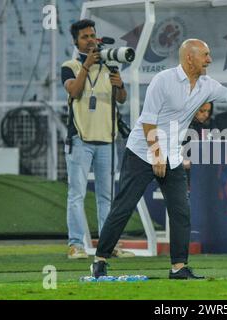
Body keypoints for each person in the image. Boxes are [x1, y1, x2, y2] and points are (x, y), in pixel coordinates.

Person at [91, 39, 227, 279]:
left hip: (172, 156)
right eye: (205, 54)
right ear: (189, 57)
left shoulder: (207, 85)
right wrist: (157, 155)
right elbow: (148, 120)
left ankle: (178, 268)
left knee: (181, 212)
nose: (210, 59)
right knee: (124, 207)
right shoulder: (163, 80)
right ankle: (99, 261)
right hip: (143, 153)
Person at [61, 19, 133, 259]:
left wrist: (120, 84)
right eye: (84, 37)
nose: (90, 39)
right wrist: (86, 66)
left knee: (106, 196)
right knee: (77, 193)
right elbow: (74, 91)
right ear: (75, 41)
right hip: (80, 138)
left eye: (93, 35)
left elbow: (121, 98)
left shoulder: (109, 65)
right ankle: (75, 245)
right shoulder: (70, 65)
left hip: (107, 138)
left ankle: (108, 245)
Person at [182, 101, 215, 185]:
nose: (206, 115)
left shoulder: (211, 125)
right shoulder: (181, 126)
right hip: (185, 174)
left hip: (206, 173)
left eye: (208, 111)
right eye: (202, 111)